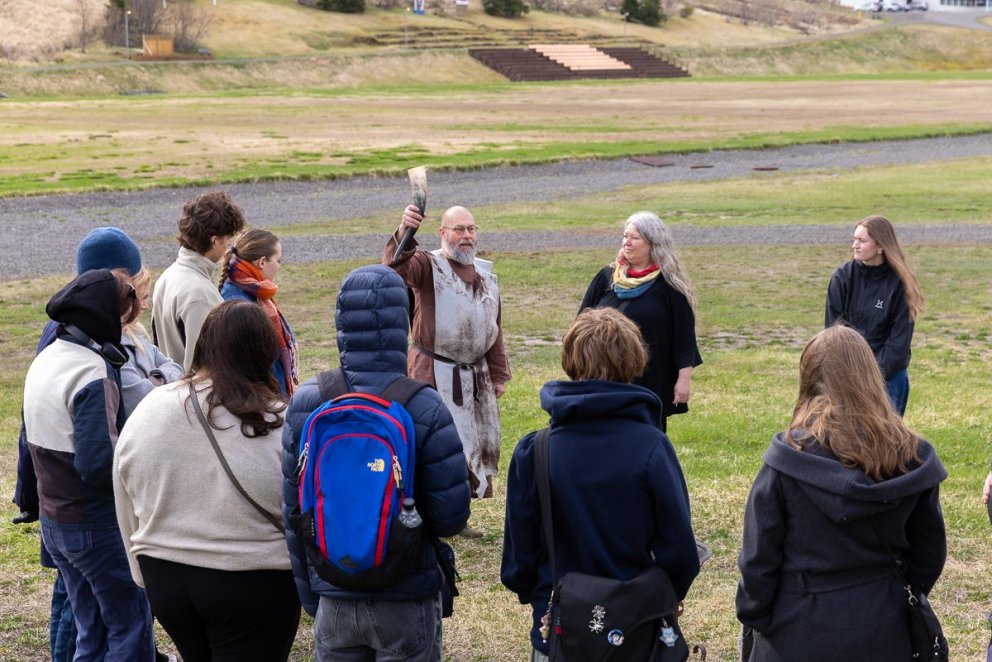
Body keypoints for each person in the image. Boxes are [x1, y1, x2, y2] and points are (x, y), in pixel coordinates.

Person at [281, 265, 471, 661]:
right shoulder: (423, 404)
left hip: (333, 592)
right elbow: (450, 518)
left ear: (340, 321)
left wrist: (312, 596)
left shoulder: (308, 401)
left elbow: (293, 512)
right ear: (404, 320)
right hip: (405, 596)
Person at [736, 325, 947, 661]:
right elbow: (928, 554)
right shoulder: (908, 455)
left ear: (808, 379)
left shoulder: (787, 459)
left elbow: (758, 559)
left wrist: (756, 616)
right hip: (882, 625)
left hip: (797, 627)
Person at [501, 307, 700, 661]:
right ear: (635, 362)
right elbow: (681, 555)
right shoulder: (652, 447)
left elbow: (518, 563)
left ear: (570, 360)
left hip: (559, 628)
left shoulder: (535, 449)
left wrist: (543, 596)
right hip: (637, 628)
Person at [115, 300, 300, 662]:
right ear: (264, 353)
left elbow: (124, 487)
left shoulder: (152, 407)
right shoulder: (278, 420)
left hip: (165, 575)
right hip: (252, 579)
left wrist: (141, 570)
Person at [12, 226, 142, 662]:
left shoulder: (46, 359)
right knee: (129, 623)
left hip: (56, 521)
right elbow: (96, 462)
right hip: (96, 523)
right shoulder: (91, 371)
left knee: (89, 631)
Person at [384, 204, 511, 504]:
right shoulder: (427, 266)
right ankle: (428, 511)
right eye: (458, 229)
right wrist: (405, 231)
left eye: (471, 229)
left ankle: (457, 510)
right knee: (436, 445)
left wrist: (498, 374)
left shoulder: (485, 273)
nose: (466, 236)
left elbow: (493, 326)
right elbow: (395, 267)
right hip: (433, 371)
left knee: (473, 444)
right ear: (442, 233)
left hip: (476, 375)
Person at [579, 211, 702, 433]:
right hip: (603, 375)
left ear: (653, 243)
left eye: (635, 237)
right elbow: (581, 324)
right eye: (625, 236)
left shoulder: (669, 285)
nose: (627, 242)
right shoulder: (607, 277)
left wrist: (684, 380)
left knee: (644, 434)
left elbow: (684, 339)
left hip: (650, 378)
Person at [825, 214, 924, 416]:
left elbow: (899, 342)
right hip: (848, 375)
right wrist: (851, 376)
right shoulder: (842, 277)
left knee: (886, 440)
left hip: (889, 378)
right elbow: (833, 333)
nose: (855, 245)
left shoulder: (900, 284)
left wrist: (872, 377)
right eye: (854, 240)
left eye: (862, 240)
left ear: (880, 246)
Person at [152, 190, 246, 370]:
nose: (229, 244)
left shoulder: (167, 276)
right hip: (193, 396)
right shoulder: (199, 294)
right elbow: (206, 370)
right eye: (228, 238)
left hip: (172, 391)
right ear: (215, 240)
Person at [218, 228, 299, 396]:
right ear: (262, 262)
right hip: (260, 400)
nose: (279, 266)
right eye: (278, 260)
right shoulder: (237, 303)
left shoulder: (256, 293)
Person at [121, 267, 184, 416]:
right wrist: (164, 377)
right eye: (140, 299)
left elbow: (176, 367)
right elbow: (141, 399)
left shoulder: (136, 332)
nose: (145, 306)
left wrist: (154, 380)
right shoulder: (112, 345)